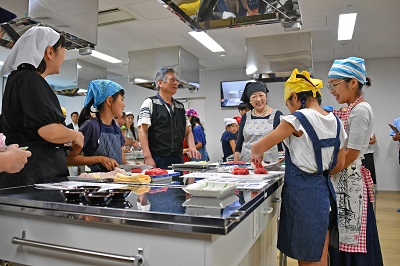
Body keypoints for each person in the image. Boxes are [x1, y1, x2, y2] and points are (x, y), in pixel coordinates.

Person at [251, 68, 346, 266]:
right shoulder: (336, 122)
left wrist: (256, 156)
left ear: (295, 96)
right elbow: (340, 163)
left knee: (306, 260)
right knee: (320, 254)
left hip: (303, 196)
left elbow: (258, 147)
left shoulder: (295, 120)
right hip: (325, 192)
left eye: (289, 104)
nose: (290, 109)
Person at [0, 26, 83, 188]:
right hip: (37, 175)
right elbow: (48, 131)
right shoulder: (31, 79)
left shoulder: (17, 79)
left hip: (26, 174)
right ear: (50, 52)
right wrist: (75, 135)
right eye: (64, 50)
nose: (64, 57)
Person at [327, 57, 383, 266]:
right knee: (345, 235)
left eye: (334, 85)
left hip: (350, 183)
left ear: (352, 82)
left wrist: (328, 171)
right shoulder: (352, 107)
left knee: (353, 236)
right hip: (345, 179)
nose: (332, 90)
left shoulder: (360, 110)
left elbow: (351, 153)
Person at [137, 67, 200, 169]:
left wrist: (192, 147)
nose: (176, 83)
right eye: (172, 80)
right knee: (160, 184)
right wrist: (147, 156)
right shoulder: (150, 102)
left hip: (178, 157)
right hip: (157, 157)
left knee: (178, 183)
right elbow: (142, 131)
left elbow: (188, 131)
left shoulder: (180, 106)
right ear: (160, 83)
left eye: (177, 80)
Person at [67, 80, 127, 172]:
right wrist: (100, 159)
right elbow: (69, 159)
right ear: (110, 100)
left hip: (117, 181)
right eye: (122, 99)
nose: (124, 105)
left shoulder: (116, 128)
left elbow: (122, 161)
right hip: (98, 183)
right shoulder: (91, 126)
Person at [234, 81, 283, 163]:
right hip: (247, 163)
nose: (258, 99)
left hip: (270, 163)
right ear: (249, 100)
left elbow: (282, 143)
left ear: (266, 97)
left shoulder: (277, 115)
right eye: (254, 96)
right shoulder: (245, 117)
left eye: (261, 95)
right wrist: (235, 165)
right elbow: (239, 144)